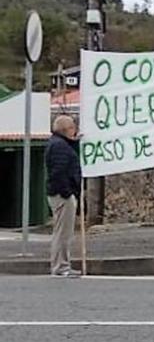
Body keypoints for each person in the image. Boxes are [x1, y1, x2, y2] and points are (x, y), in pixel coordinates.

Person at [45, 115, 82, 277]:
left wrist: (75, 142)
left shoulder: (59, 144)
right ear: (67, 129)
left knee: (62, 232)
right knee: (63, 233)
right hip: (62, 195)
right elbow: (59, 172)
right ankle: (61, 266)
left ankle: (61, 265)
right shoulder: (59, 147)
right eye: (73, 127)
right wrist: (67, 193)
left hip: (61, 193)